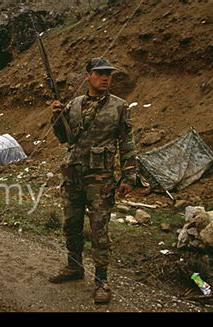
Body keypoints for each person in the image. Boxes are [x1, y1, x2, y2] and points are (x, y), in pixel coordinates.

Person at [49, 57, 137, 304]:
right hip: (72, 174)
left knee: (99, 230)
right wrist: (56, 116)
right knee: (71, 224)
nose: (106, 77)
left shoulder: (120, 107)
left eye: (108, 73)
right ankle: (74, 266)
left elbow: (127, 144)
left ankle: (101, 281)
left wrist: (129, 176)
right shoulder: (74, 105)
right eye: (100, 73)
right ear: (88, 76)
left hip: (101, 179)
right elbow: (64, 138)